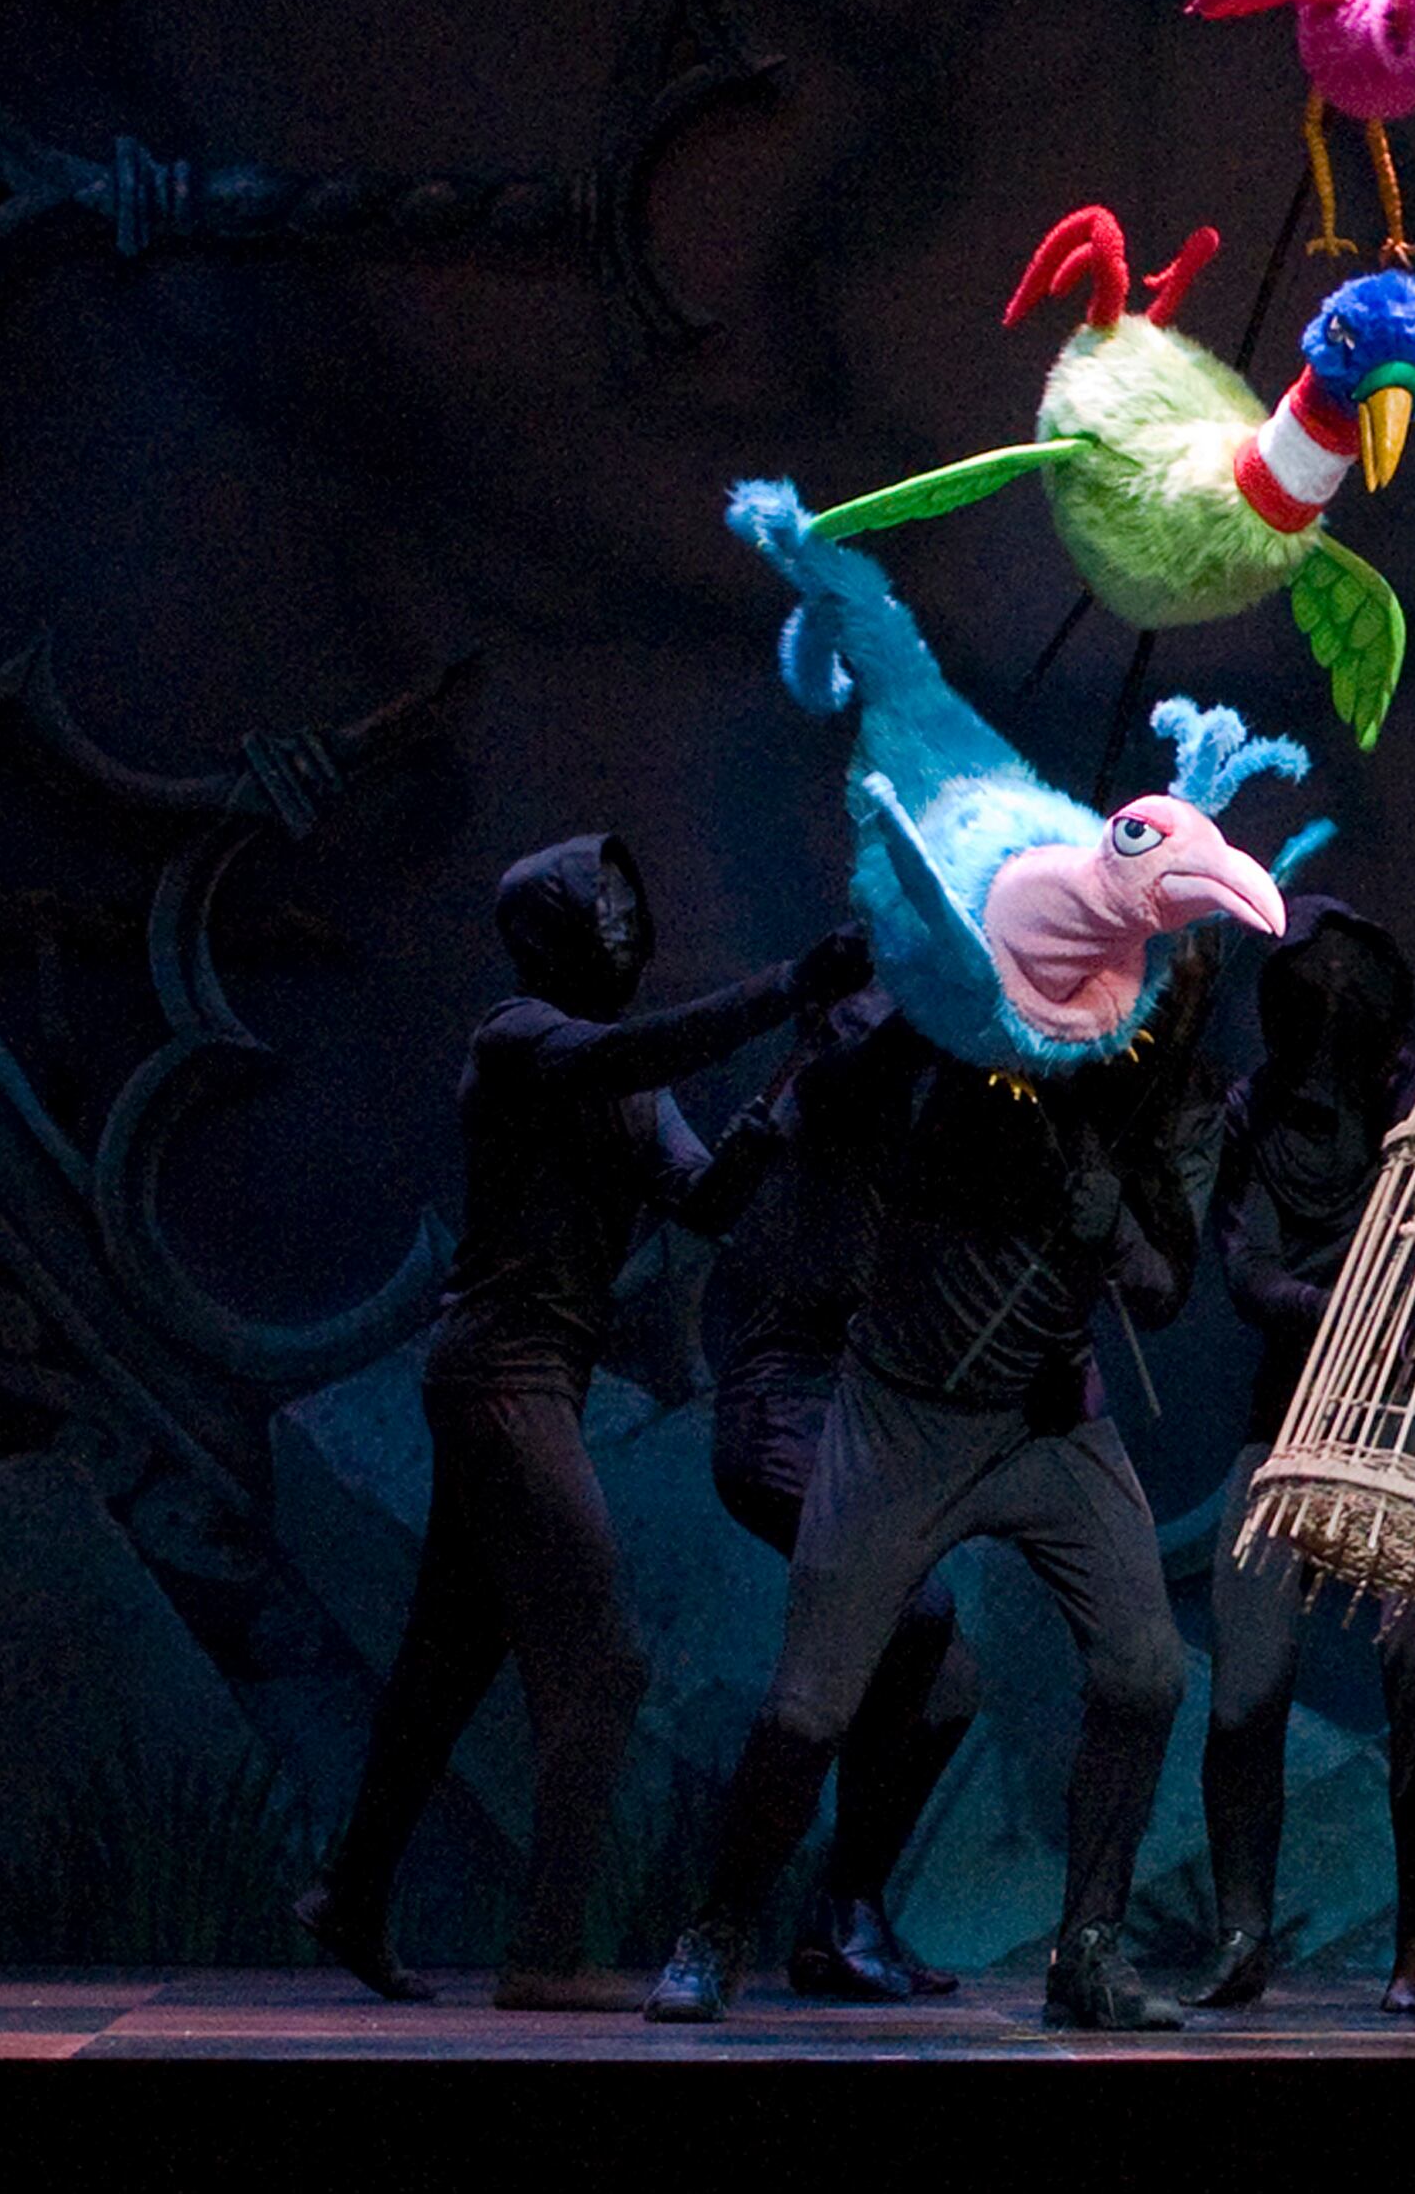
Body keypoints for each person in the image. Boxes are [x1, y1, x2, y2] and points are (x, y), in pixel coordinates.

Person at [297, 835, 865, 2009]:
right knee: (603, 1667)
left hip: (528, 1374)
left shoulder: (630, 1084)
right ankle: (547, 1953)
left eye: (620, 900)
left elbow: (704, 1195)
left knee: (444, 1664)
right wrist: (783, 989)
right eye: (592, 903)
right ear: (548, 931)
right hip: (502, 1373)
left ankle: (350, 1894)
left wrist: (787, 1085)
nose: (615, 920)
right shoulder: (518, 1036)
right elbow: (630, 1051)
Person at [646, 974, 1215, 2030]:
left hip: (1048, 1415)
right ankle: (718, 1927)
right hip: (901, 1408)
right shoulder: (968, 1041)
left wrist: (1118, 1229)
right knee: (813, 1701)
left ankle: (1086, 1949)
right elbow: (842, 1110)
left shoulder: (1173, 1103)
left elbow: (1161, 1290)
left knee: (1145, 1669)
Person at [1188, 898, 1415, 2018]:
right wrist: (1348, 1304)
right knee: (1247, 1689)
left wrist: (1407, 1315)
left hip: (1409, 1428)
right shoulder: (1253, 1111)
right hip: (1288, 1428)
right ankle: (1241, 1930)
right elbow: (1245, 1272)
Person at [694, 983, 974, 2003]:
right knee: (912, 1618)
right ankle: (726, 1928)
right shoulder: (821, 1088)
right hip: (783, 1410)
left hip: (858, 1421)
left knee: (948, 1680)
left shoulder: (904, 1132)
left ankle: (844, 1911)